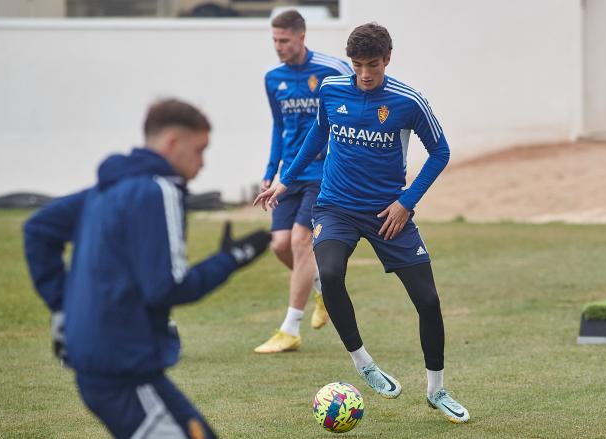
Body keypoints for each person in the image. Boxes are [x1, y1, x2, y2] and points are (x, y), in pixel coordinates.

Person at [255, 23, 470, 423]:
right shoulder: (333, 89)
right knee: (331, 273)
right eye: (358, 65)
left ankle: (437, 390)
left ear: (387, 59)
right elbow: (316, 138)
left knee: (428, 300)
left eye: (372, 64)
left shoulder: (408, 101)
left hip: (388, 214)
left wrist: (406, 203)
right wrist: (284, 181)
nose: (365, 73)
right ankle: (363, 363)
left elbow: (440, 151)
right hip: (335, 207)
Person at [24, 98, 271, 438]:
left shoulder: (108, 189)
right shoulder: (160, 190)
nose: (202, 163)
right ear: (172, 143)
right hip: (123, 372)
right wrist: (233, 258)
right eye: (200, 150)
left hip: (107, 367)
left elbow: (38, 230)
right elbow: (166, 287)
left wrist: (61, 308)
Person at [254, 9, 353, 354]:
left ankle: (289, 328)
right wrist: (270, 170)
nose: (278, 47)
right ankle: (322, 289)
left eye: (284, 40)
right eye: (274, 41)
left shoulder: (333, 70)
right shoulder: (272, 78)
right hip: (289, 175)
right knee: (279, 245)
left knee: (300, 241)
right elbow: (279, 127)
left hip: (324, 175)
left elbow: (352, 111)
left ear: (301, 37)